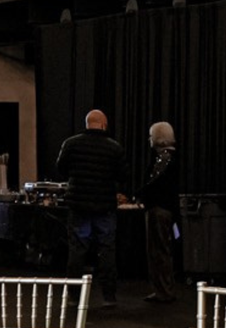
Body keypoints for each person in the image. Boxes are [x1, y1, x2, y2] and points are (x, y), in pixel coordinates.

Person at [53, 109, 130, 309]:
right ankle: (109, 295)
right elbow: (123, 175)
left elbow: (61, 168)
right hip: (104, 205)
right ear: (104, 124)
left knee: (77, 250)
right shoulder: (114, 148)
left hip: (78, 205)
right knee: (106, 250)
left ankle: (74, 296)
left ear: (87, 124)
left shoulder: (71, 144)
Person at [138, 121, 184, 303]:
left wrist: (140, 195)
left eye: (152, 136)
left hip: (159, 210)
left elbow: (153, 184)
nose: (149, 139)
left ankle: (163, 290)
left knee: (159, 251)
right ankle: (162, 289)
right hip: (165, 209)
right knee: (161, 250)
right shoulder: (168, 158)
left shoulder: (164, 159)